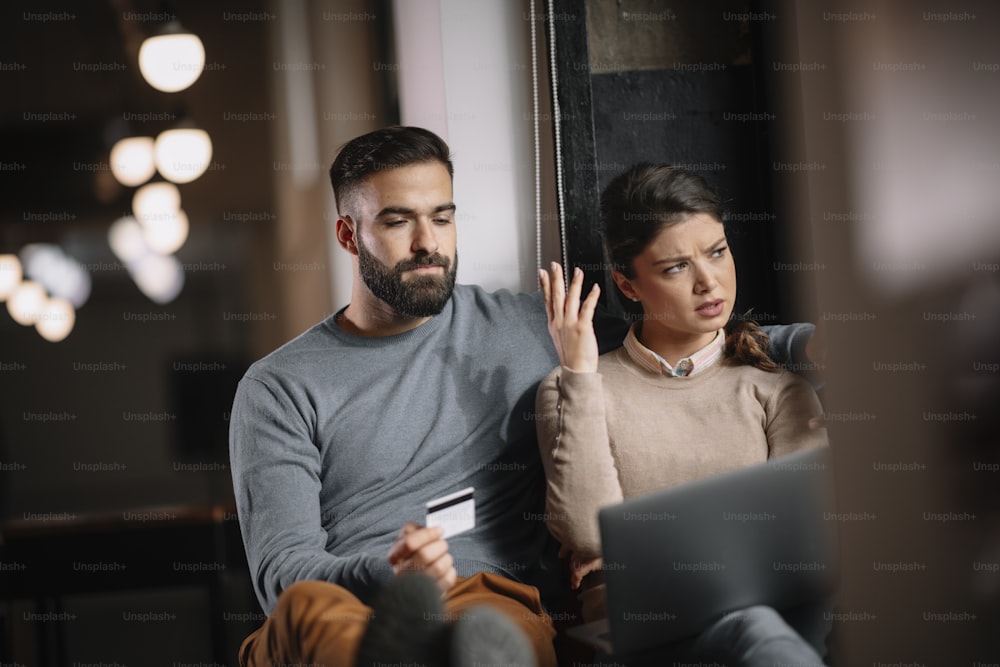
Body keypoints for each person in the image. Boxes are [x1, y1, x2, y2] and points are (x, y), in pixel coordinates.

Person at [228, 127, 820, 667]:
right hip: (346, 601)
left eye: (442, 216)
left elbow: (678, 330)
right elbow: (282, 571)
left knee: (491, 638)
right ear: (347, 234)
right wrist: (386, 573)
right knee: (309, 613)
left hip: (483, 599)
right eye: (397, 221)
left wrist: (807, 345)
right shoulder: (279, 386)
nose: (426, 242)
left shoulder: (531, 325)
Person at [536, 163, 830, 665]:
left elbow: (804, 542)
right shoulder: (576, 390)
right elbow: (587, 530)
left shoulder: (777, 389)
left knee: (754, 624)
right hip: (644, 636)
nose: (708, 282)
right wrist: (580, 375)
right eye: (676, 267)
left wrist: (638, 552)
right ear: (628, 285)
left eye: (717, 252)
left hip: (767, 616)